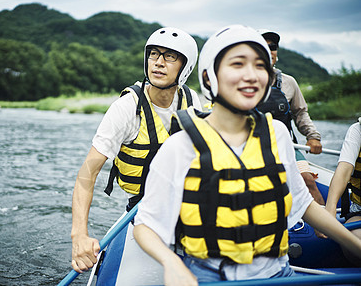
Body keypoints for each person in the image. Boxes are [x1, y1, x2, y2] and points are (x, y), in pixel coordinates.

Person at [133, 25, 361, 285]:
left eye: (260, 66)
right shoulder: (179, 146)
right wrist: (171, 262)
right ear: (209, 77)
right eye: (238, 64)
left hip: (278, 274)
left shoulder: (276, 133)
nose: (252, 75)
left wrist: (353, 244)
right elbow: (145, 226)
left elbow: (302, 203)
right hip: (210, 276)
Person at [70, 27, 202, 274]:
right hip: (144, 212)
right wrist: (79, 236)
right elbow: (87, 175)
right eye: (153, 54)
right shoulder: (126, 108)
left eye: (170, 56)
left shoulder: (193, 101)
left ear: (186, 67)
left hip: (189, 208)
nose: (159, 63)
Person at [256, 29, 325, 205]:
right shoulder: (243, 82)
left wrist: (313, 137)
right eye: (264, 46)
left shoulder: (288, 82)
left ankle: (326, 229)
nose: (270, 50)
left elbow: (300, 113)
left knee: (308, 182)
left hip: (287, 145)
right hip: (253, 145)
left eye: (273, 47)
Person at [325, 117, 361, 265]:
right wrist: (330, 208)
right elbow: (344, 171)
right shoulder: (357, 130)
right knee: (353, 242)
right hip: (359, 211)